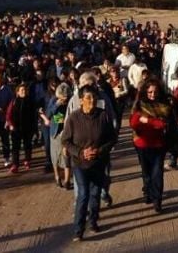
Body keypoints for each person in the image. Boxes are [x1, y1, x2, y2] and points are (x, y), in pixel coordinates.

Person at [61, 84, 118, 242]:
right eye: (88, 98)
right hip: (80, 163)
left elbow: (112, 138)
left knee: (95, 194)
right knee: (83, 194)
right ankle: (78, 230)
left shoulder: (103, 116)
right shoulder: (73, 118)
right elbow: (65, 140)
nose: (91, 100)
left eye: (94, 97)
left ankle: (93, 221)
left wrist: (99, 151)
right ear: (81, 101)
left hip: (98, 162)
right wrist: (81, 152)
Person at [130, 78, 175, 213]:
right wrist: (153, 122)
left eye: (155, 92)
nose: (152, 94)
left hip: (159, 144)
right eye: (150, 92)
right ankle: (148, 191)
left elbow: (164, 123)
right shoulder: (139, 104)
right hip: (142, 144)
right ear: (145, 92)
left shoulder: (165, 105)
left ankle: (157, 200)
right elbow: (134, 122)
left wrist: (147, 121)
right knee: (146, 172)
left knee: (157, 173)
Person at [5, 83, 38, 173]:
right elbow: (8, 114)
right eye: (21, 90)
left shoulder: (31, 101)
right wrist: (11, 124)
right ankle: (15, 164)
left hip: (28, 128)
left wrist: (34, 128)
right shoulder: (14, 101)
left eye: (25, 90)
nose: (23, 92)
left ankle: (27, 160)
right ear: (17, 92)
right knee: (15, 147)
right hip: (16, 128)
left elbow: (34, 116)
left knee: (27, 145)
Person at [47, 82, 73, 189]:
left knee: (66, 156)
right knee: (55, 156)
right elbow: (48, 114)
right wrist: (57, 104)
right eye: (62, 98)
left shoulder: (70, 101)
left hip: (67, 131)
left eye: (65, 98)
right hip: (55, 132)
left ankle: (67, 181)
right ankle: (57, 177)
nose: (64, 100)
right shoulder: (53, 100)